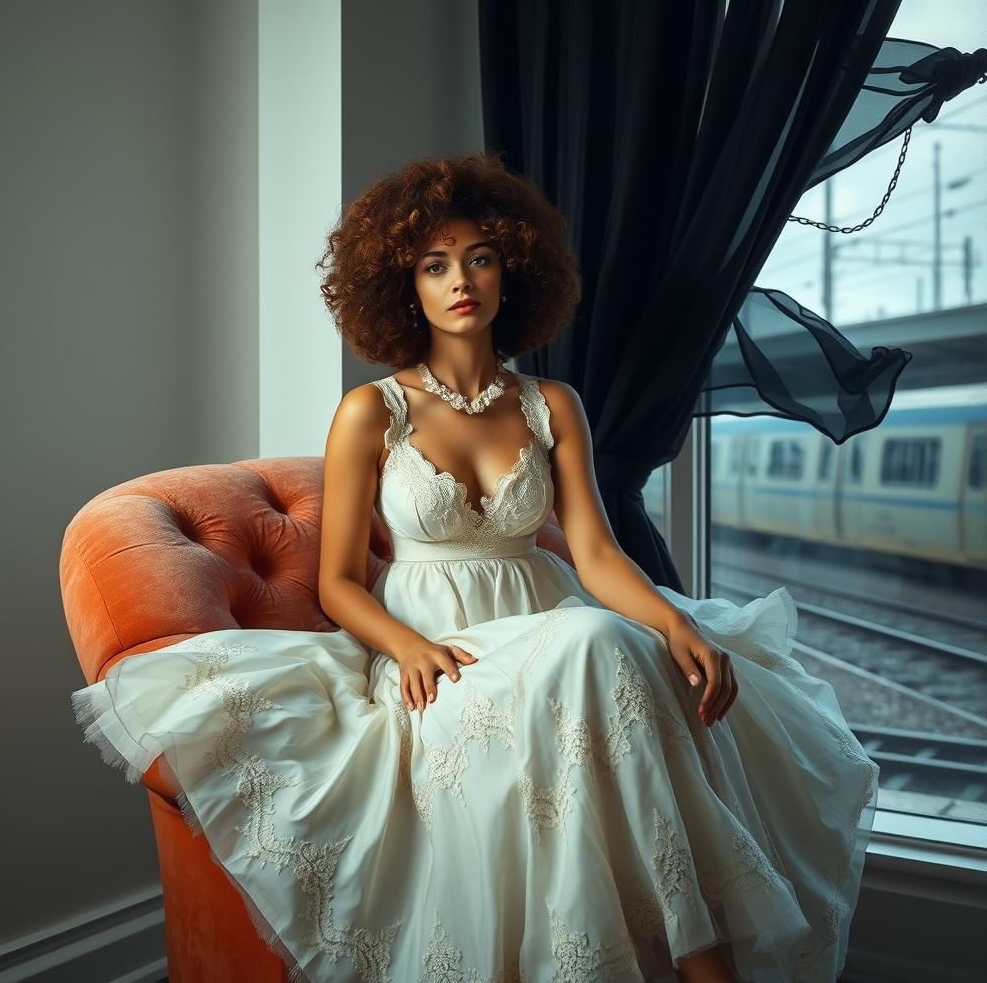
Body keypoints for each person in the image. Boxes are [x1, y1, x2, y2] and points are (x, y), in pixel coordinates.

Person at [72, 151, 879, 983]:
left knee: (617, 652)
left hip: (561, 624)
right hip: (442, 652)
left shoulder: (551, 404)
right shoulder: (370, 412)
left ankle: (694, 955)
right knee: (598, 650)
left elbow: (596, 552)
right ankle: (709, 968)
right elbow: (337, 582)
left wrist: (673, 621)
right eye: (434, 264)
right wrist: (405, 647)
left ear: (514, 272)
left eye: (480, 257)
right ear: (403, 287)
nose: (461, 280)